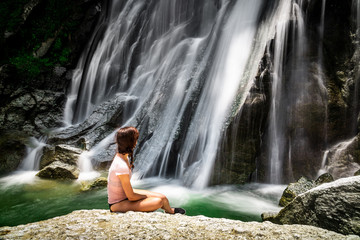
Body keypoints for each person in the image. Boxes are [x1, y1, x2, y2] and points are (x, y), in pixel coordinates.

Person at [107, 126, 186, 214]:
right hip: (117, 203)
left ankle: (170, 211)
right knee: (158, 201)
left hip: (124, 194)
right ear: (131, 142)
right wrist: (146, 196)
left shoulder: (122, 156)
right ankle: (169, 211)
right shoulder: (121, 165)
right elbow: (131, 197)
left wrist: (145, 196)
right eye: (136, 139)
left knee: (163, 197)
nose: (137, 142)